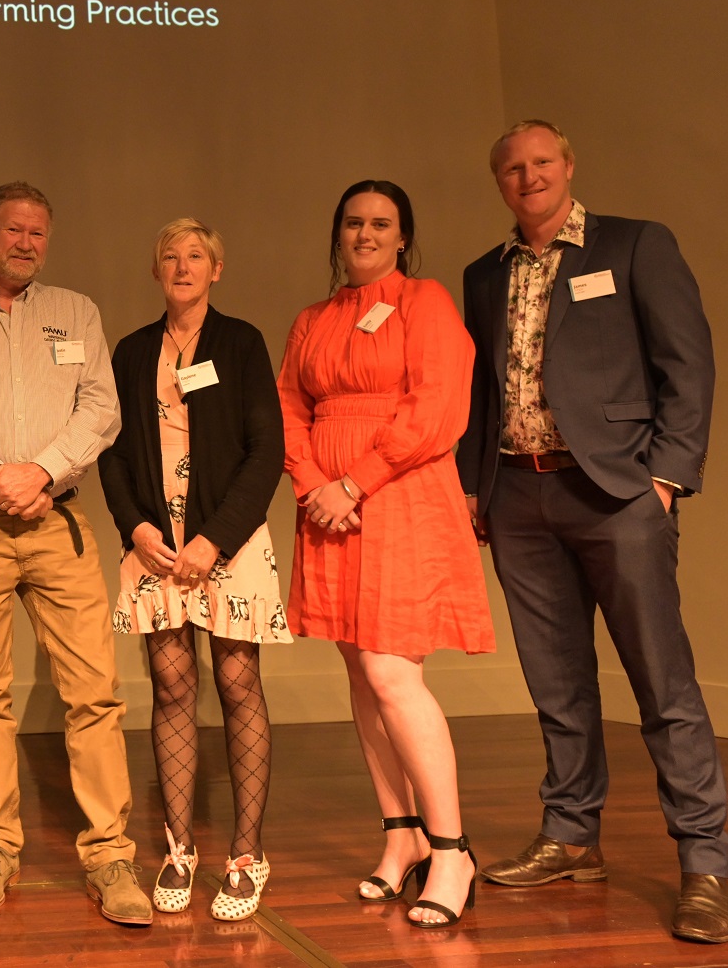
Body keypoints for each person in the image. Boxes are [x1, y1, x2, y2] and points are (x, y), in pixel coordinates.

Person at [460, 121, 728, 944]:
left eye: (541, 162)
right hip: (516, 495)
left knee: (661, 680)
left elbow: (688, 361)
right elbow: (477, 389)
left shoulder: (634, 244)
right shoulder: (483, 273)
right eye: (511, 167)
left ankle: (705, 861)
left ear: (568, 168)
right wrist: (476, 487)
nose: (527, 176)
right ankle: (572, 834)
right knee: (555, 682)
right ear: (499, 183)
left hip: (617, 494)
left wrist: (665, 476)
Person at [0, 181, 151, 926]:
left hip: (57, 519)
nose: (24, 242)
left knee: (93, 692)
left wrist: (40, 471)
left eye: (37, 233)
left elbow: (100, 407)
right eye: (13, 229)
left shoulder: (74, 311)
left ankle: (110, 852)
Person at [277, 179, 493, 929]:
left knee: (389, 668)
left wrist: (354, 481)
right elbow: (287, 407)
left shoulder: (422, 301)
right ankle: (399, 836)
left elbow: (437, 408)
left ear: (402, 236)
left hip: (397, 497)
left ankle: (452, 848)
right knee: (359, 675)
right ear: (336, 233)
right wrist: (312, 485)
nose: (364, 233)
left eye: (381, 223)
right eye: (352, 221)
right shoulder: (312, 318)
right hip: (327, 511)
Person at [98, 218, 289, 922]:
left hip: (226, 540)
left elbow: (265, 449)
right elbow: (111, 453)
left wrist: (215, 537)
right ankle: (179, 847)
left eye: (196, 256)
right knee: (171, 682)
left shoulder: (240, 343)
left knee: (238, 681)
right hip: (155, 541)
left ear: (217, 269)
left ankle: (246, 853)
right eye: (170, 257)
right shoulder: (130, 350)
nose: (182, 266)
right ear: (156, 272)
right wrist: (137, 527)